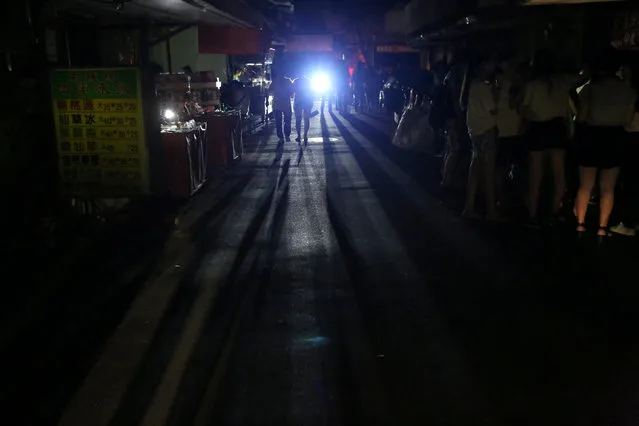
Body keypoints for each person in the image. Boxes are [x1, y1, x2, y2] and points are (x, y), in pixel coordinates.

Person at [573, 54, 637, 242]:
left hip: (592, 135)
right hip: (615, 136)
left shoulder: (591, 89)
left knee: (586, 184)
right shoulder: (628, 91)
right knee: (608, 186)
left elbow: (582, 116)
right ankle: (602, 227)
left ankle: (580, 224)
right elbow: (627, 120)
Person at [520, 49, 585, 226]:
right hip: (557, 128)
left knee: (536, 174)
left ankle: (533, 213)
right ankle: (554, 212)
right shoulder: (563, 82)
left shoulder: (532, 85)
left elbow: (524, 110)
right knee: (558, 174)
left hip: (537, 128)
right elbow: (582, 78)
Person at [462, 56, 501, 221]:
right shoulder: (483, 87)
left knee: (475, 170)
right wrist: (497, 93)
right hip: (486, 131)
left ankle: (469, 207)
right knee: (488, 172)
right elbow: (493, 110)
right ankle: (491, 211)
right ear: (484, 65)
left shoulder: (471, 85)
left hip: (475, 131)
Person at [611, 64, 639, 237]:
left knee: (630, 182)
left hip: (632, 139)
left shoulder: (631, 95)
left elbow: (627, 120)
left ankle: (626, 221)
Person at [494, 56, 524, 212]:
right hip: (512, 131)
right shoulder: (516, 82)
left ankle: (503, 199)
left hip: (505, 130)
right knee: (506, 167)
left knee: (503, 167)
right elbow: (516, 106)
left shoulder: (498, 83)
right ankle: (504, 199)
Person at [269, 69, 294, 142]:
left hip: (276, 105)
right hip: (286, 104)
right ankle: (287, 135)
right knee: (287, 121)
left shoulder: (275, 81)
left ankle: (280, 137)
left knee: (278, 122)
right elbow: (292, 92)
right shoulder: (288, 81)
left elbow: (269, 91)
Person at [293, 71, 313, 144]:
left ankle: (299, 136)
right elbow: (311, 92)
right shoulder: (308, 81)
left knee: (298, 120)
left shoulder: (295, 81)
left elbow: (293, 91)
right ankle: (305, 135)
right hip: (307, 102)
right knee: (306, 119)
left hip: (298, 102)